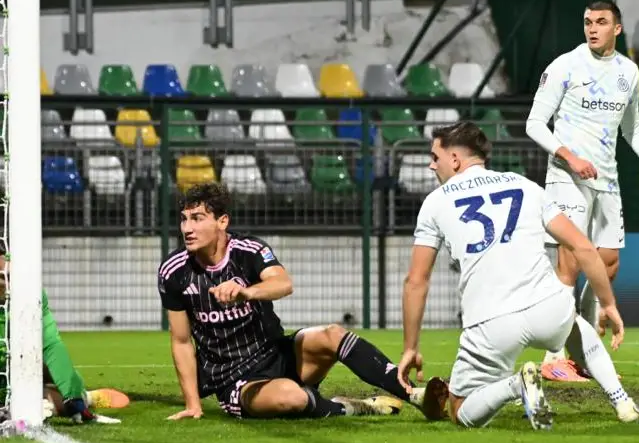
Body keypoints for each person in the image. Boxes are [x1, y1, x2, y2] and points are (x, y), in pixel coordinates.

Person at [398, 121, 638, 430]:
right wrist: (607, 304)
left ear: (455, 159)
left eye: (435, 157)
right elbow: (583, 247)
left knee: (458, 410)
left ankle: (517, 386)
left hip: (493, 323)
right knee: (575, 326)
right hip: (548, 310)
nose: (432, 166)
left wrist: (410, 347)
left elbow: (416, 281)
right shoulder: (524, 185)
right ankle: (621, 401)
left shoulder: (435, 202)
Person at [157, 182, 439, 421]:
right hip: (237, 381)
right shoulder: (174, 271)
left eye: (197, 218)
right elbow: (181, 341)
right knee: (290, 398)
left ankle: (415, 394)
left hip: (278, 354)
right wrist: (193, 404)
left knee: (332, 334)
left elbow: (282, 283)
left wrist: (246, 292)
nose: (187, 228)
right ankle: (353, 407)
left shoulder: (249, 250)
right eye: (184, 219)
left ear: (222, 221)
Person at [526, 0, 639, 381]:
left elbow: (632, 128)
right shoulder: (566, 65)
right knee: (571, 264)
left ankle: (585, 354)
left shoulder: (629, 72)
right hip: (566, 177)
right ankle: (553, 359)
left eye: (601, 22)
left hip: (607, 180)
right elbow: (535, 123)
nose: (592, 28)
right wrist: (569, 156)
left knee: (607, 265)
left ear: (617, 29)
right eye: (588, 21)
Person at [0, 248, 128, 424]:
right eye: (2, 277)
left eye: (7, 274)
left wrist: (73, 396)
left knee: (38, 367)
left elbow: (51, 344)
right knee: (28, 400)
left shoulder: (29, 291)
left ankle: (82, 397)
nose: (6, 280)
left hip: (17, 361)